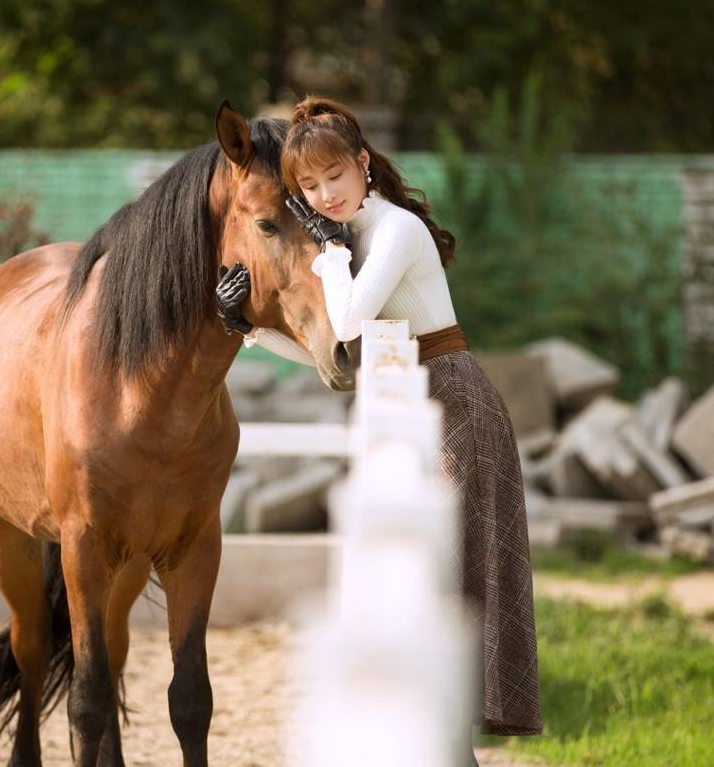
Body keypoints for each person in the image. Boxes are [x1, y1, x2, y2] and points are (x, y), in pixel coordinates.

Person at [216, 97, 543, 760]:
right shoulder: (353, 237)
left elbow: (357, 318)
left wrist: (329, 258)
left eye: (334, 175)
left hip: (456, 403)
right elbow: (333, 348)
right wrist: (247, 329)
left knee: (446, 595)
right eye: (308, 186)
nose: (324, 193)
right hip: (416, 398)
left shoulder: (392, 231)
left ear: (363, 163)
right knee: (427, 590)